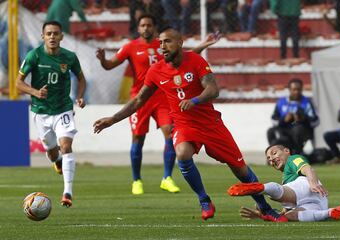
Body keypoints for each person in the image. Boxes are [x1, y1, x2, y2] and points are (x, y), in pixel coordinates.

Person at [93, 26, 283, 221]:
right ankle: (204, 200)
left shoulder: (196, 61)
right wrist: (113, 119)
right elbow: (139, 100)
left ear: (180, 43)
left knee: (241, 170)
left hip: (211, 124)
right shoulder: (156, 70)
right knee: (182, 153)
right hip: (184, 125)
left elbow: (213, 89)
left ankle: (265, 208)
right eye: (160, 43)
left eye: (167, 41)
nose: (162, 47)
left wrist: (195, 100)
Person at [96, 14, 221, 195]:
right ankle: (136, 180)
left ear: (154, 27)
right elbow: (109, 66)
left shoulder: (163, 44)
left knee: (170, 133)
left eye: (149, 25)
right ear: (138, 28)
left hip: (162, 97)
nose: (145, 28)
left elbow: (186, 56)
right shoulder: (130, 47)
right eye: (142, 25)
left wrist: (203, 45)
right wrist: (102, 60)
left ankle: (167, 178)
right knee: (138, 138)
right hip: (140, 97)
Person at [16, 21, 86, 207]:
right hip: (41, 111)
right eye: (49, 34)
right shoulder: (34, 55)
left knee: (66, 145)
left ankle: (67, 193)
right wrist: (36, 92)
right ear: (43, 36)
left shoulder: (69, 57)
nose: (52, 37)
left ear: (62, 36)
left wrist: (79, 97)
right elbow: (18, 83)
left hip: (63, 108)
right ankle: (57, 161)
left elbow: (81, 79)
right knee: (52, 150)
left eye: (56, 33)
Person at [228, 144, 340, 222]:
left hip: (307, 186)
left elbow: (308, 169)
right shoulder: (286, 176)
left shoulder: (292, 159)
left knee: (275, 192)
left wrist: (313, 183)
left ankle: (260, 187)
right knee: (288, 216)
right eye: (269, 159)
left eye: (274, 153)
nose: (272, 159)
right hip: (319, 203)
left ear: (286, 151)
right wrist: (263, 216)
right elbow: (284, 211)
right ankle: (329, 212)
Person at [267, 78, 319, 154]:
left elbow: (316, 121)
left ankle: (297, 153)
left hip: (302, 130)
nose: (297, 92)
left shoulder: (307, 102)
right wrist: (284, 119)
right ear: (289, 90)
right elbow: (273, 120)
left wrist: (303, 118)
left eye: (299, 90)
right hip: (285, 129)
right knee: (271, 131)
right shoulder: (281, 102)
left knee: (297, 130)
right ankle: (274, 155)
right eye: (294, 90)